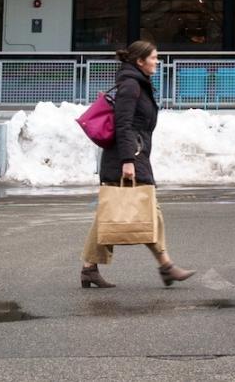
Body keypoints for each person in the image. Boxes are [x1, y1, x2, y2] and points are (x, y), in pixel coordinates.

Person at [81, 41, 195, 289]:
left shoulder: (137, 83)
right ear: (140, 61)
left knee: (109, 216)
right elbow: (123, 125)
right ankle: (166, 266)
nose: (157, 61)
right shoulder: (131, 85)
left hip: (133, 154)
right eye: (154, 57)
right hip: (128, 158)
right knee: (149, 212)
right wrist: (127, 161)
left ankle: (89, 269)